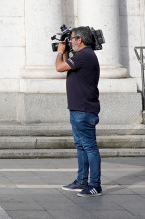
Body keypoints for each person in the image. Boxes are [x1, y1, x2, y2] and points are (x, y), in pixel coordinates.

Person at [55, 26, 101, 196]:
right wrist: (66, 51)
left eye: (72, 38)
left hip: (84, 110)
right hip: (77, 109)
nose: (70, 41)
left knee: (89, 147)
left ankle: (95, 184)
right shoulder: (82, 56)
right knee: (81, 146)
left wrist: (60, 52)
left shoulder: (85, 55)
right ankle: (82, 181)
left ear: (80, 40)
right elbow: (68, 66)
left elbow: (59, 67)